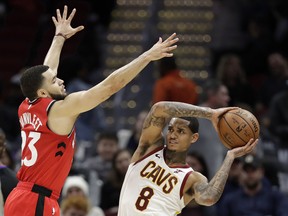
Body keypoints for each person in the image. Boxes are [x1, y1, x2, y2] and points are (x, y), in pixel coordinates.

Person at [4, 5, 179, 216]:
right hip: (38, 201)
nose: (60, 80)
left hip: (21, 196)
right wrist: (147, 57)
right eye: (54, 81)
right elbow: (108, 87)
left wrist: (59, 37)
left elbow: (47, 70)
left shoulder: (27, 105)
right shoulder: (61, 109)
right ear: (43, 92)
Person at [118, 101, 258, 215]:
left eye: (181, 131)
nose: (173, 135)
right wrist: (210, 113)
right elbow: (158, 108)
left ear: (194, 137)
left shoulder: (192, 178)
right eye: (171, 129)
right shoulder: (149, 148)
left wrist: (230, 156)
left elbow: (209, 198)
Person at [217, 154, 288, 216]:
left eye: (253, 170)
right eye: (246, 171)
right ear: (241, 173)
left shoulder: (275, 197)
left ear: (261, 172)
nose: (250, 175)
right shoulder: (230, 200)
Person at [189, 79, 230, 176]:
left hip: (215, 181)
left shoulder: (226, 121)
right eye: (223, 94)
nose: (227, 98)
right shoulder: (192, 117)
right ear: (211, 95)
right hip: (193, 179)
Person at [100, 149, 132, 216]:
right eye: (120, 162)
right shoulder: (107, 186)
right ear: (115, 165)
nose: (124, 164)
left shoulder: (141, 180)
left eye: (126, 160)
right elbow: (103, 209)